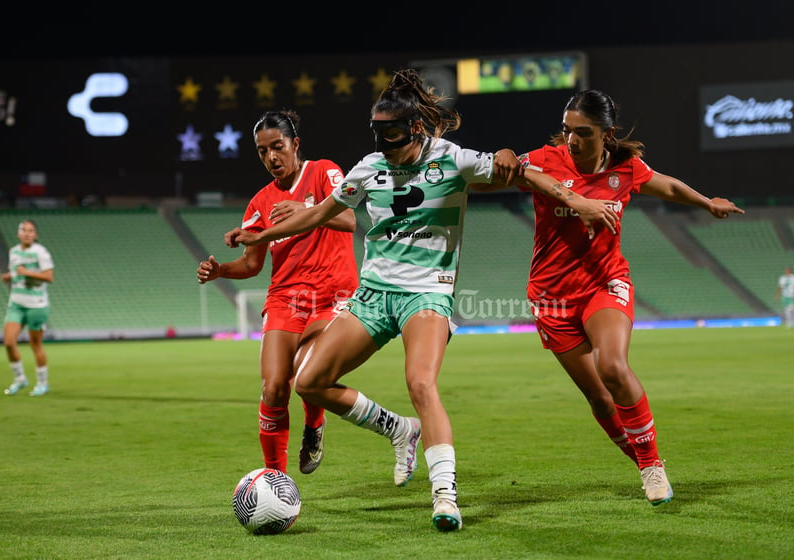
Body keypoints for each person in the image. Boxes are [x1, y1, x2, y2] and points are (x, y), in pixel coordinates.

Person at [224, 69, 618, 531]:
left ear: (414, 127)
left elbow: (525, 171)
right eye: (378, 133)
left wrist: (576, 198)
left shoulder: (451, 159)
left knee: (421, 383)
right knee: (308, 381)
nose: (385, 144)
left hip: (427, 291)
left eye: (392, 133)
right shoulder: (369, 168)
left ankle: (445, 496)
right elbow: (316, 214)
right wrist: (261, 232)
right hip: (374, 293)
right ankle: (399, 430)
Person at [517, 89, 745, 506]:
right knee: (600, 399)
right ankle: (641, 457)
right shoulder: (545, 160)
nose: (572, 140)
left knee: (613, 367)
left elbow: (668, 187)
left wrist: (705, 202)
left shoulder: (625, 168)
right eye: (567, 131)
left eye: (583, 133)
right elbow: (508, 169)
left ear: (607, 133)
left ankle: (651, 466)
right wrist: (507, 155)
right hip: (551, 297)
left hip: (605, 282)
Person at [197, 110, 359, 475]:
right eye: (261, 151)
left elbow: (349, 219)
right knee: (273, 388)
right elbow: (251, 264)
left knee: (306, 377)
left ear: (295, 144)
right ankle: (276, 480)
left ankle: (314, 425)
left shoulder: (323, 172)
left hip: (332, 295)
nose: (271, 157)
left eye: (277, 147)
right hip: (285, 298)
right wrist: (221, 270)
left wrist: (307, 208)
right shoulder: (259, 203)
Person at [1, 219, 55, 397]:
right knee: (9, 342)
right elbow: (18, 272)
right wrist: (11, 276)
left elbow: (49, 277)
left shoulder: (41, 252)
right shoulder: (14, 252)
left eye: (31, 231)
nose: (27, 233)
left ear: (35, 235)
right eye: (24, 230)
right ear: (18, 233)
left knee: (35, 344)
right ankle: (20, 379)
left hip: (36, 305)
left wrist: (27, 273)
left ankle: (42, 383)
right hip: (16, 303)